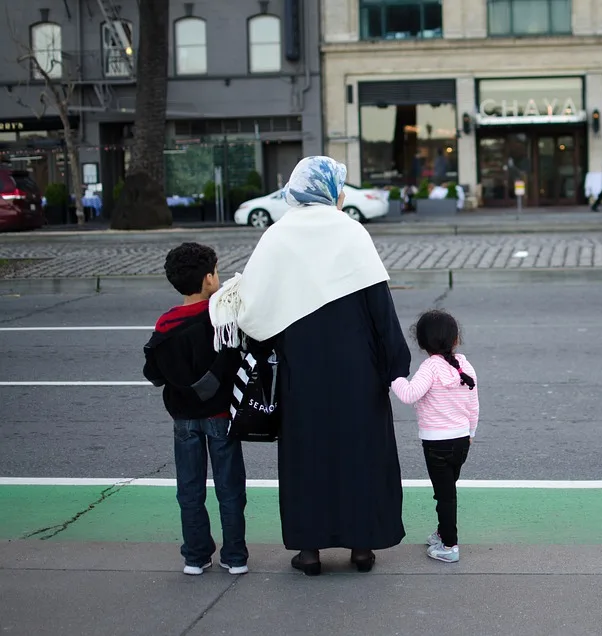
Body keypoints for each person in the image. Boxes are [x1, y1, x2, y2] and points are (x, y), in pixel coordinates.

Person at [208, 156, 411, 576]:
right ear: (331, 189)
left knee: (307, 457)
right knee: (361, 455)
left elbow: (254, 312)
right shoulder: (351, 232)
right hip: (359, 372)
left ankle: (309, 551)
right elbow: (380, 307)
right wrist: (395, 364)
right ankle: (361, 547)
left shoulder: (278, 236)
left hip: (302, 372)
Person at [143, 242, 248, 577]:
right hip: (220, 415)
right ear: (208, 279)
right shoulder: (221, 319)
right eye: (216, 271)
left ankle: (195, 556)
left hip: (183, 418)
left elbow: (154, 373)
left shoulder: (165, 324)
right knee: (230, 489)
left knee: (189, 489)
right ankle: (234, 557)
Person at [390, 310, 479, 564]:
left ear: (422, 343)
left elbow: (409, 394)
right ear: (455, 339)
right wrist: (471, 432)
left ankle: (450, 545)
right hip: (462, 441)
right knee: (447, 491)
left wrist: (392, 377)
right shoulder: (464, 364)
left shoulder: (430, 367)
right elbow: (474, 404)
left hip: (437, 444)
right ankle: (443, 533)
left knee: (445, 495)